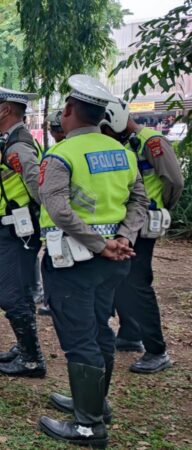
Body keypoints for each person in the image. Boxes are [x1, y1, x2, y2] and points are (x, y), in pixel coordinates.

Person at [37, 75, 148, 447]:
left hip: (75, 262)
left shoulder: (61, 154)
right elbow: (139, 202)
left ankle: (88, 426)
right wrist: (121, 239)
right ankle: (96, 403)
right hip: (114, 260)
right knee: (100, 329)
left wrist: (99, 244)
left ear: (68, 111)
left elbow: (56, 207)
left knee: (79, 339)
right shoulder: (123, 153)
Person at [100, 100, 183, 373]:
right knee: (123, 280)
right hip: (127, 225)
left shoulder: (151, 141)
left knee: (137, 284)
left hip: (143, 225)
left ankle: (157, 350)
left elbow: (174, 180)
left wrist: (159, 210)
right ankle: (129, 334)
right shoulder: (125, 144)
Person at [0, 84, 46, 377]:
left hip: (18, 232)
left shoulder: (19, 146)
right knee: (16, 291)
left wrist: (35, 222)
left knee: (9, 294)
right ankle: (25, 348)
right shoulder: (10, 140)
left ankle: (32, 359)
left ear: (6, 109)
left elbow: (38, 187)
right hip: (10, 230)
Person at [35, 109, 66, 317]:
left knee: (55, 263)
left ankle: (53, 301)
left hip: (58, 221)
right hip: (63, 221)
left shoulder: (57, 154)